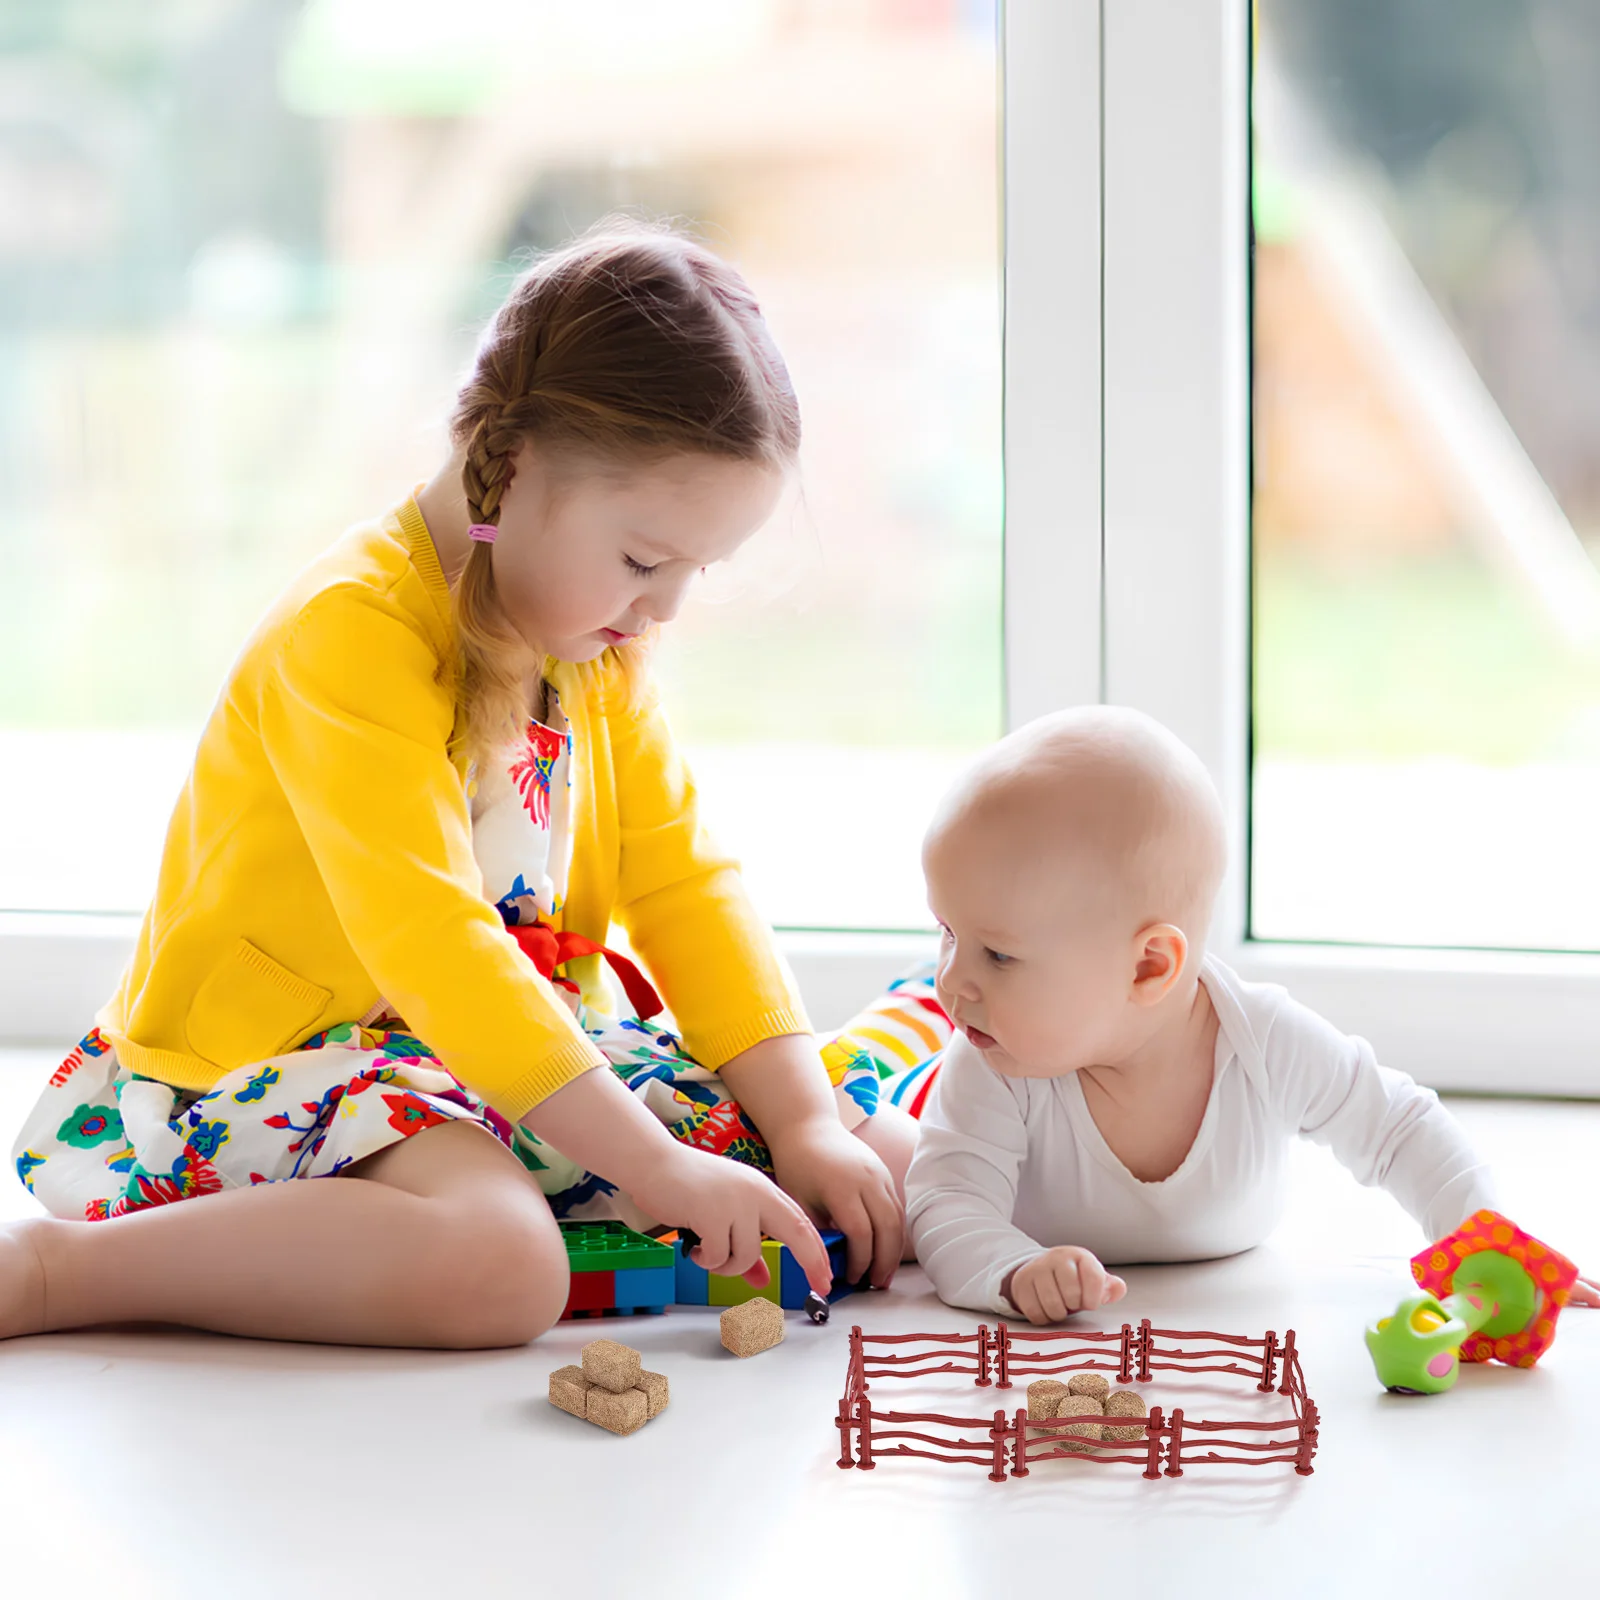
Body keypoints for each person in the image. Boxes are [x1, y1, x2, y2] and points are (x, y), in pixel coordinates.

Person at [2, 221, 917, 1348]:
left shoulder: (591, 642)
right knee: (499, 1266)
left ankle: (611, 1188)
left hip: (499, 1050)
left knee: (875, 1164)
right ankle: (61, 1272)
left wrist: (804, 1122)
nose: (665, 609)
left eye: (694, 573)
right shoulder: (349, 634)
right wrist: (658, 1167)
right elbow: (434, 941)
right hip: (302, 1061)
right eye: (644, 561)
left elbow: (687, 881)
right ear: (518, 464)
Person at [903, 705, 1600, 1323]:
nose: (953, 979)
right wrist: (1013, 1271)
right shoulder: (992, 1055)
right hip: (923, 1100)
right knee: (883, 1162)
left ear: (1149, 967)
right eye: (947, 932)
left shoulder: (1263, 1043)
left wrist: (1485, 1239)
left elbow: (1398, 1127)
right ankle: (887, 1038)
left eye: (997, 955)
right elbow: (946, 1204)